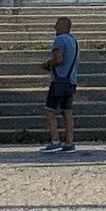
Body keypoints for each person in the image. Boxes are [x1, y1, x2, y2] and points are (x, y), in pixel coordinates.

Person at [39, 15, 79, 153]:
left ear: (63, 27)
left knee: (49, 110)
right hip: (71, 80)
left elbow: (58, 59)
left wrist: (47, 64)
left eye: (57, 24)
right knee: (66, 111)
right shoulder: (74, 41)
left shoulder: (60, 40)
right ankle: (69, 142)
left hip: (58, 81)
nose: (54, 27)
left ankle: (55, 140)